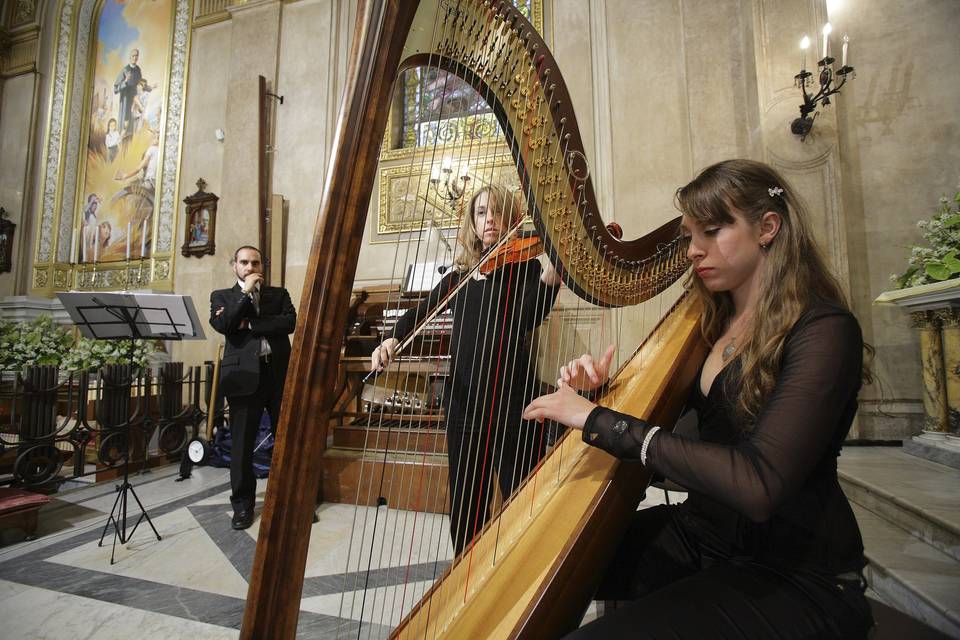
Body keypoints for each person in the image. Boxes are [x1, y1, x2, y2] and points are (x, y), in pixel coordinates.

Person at [522, 159, 874, 639]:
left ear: (767, 228)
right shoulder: (709, 324)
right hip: (702, 535)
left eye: (711, 231)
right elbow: (694, 439)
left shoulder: (825, 332)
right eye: (689, 236)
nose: (693, 251)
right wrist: (602, 393)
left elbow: (758, 485)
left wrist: (601, 420)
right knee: (539, 564)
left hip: (793, 571)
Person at [371, 184, 562, 554]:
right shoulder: (460, 277)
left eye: (497, 211)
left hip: (512, 401)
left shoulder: (528, 267)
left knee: (524, 495)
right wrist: (391, 339)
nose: (489, 219)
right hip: (464, 404)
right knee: (466, 504)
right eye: (480, 212)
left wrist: (550, 280)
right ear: (472, 223)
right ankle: (465, 572)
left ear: (512, 217)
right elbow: (420, 312)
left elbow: (524, 320)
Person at [210, 246, 297, 530]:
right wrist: (244, 294)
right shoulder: (222, 297)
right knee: (242, 448)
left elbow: (290, 322)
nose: (250, 267)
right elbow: (225, 323)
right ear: (234, 265)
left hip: (278, 375)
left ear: (263, 265)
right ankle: (243, 506)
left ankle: (288, 503)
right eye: (244, 262)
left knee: (285, 445)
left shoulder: (278, 294)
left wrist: (252, 324)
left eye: (255, 262)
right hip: (243, 380)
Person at [113, 48, 142, 137]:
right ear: (130, 57)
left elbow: (140, 84)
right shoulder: (125, 70)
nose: (135, 57)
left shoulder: (138, 70)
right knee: (124, 128)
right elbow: (115, 88)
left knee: (132, 127)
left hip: (134, 100)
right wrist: (125, 81)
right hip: (125, 99)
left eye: (136, 55)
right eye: (133, 56)